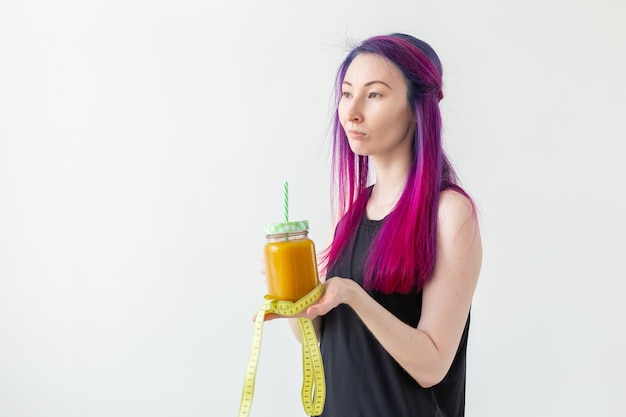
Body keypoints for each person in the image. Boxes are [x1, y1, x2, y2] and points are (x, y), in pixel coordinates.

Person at [267, 33, 482, 417]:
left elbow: (433, 366)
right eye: (347, 93)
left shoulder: (449, 213)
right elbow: (322, 344)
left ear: (418, 109)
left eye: (375, 95)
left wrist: (353, 294)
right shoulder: (350, 213)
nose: (351, 112)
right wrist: (292, 298)